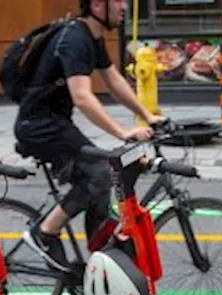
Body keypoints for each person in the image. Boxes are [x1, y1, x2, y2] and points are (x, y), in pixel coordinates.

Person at [15, 0, 166, 272]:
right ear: (98, 6)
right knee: (98, 172)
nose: (124, 7)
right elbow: (82, 97)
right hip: (39, 127)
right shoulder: (74, 39)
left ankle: (102, 256)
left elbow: (114, 80)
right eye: (118, 1)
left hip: (55, 123)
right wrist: (122, 132)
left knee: (101, 175)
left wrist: (148, 115)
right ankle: (45, 233)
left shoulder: (90, 36)